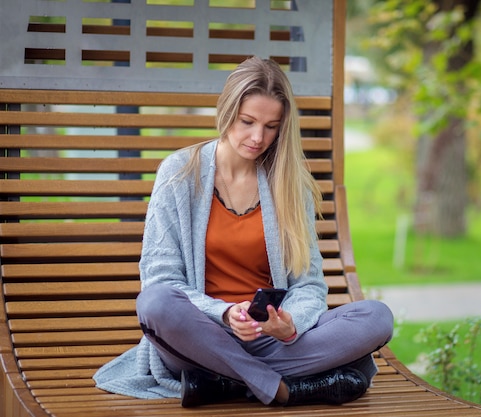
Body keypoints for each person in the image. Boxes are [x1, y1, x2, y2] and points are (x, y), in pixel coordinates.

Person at [93, 56, 394, 407]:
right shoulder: (178, 174)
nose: (257, 137)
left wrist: (290, 324)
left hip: (269, 338)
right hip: (200, 336)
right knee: (155, 303)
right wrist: (222, 313)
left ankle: (227, 383)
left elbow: (308, 283)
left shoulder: (287, 184)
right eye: (247, 121)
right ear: (226, 111)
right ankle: (281, 388)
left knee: (376, 317)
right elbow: (160, 279)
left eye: (271, 126)